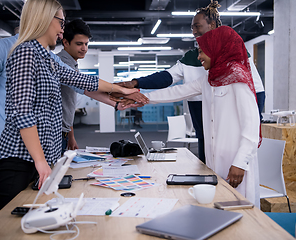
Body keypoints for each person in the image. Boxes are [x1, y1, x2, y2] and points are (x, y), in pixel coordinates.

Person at [0, 0, 143, 213]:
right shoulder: (24, 53)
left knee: (32, 219)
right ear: (44, 19)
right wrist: (41, 162)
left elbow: (82, 80)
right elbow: (22, 113)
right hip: (17, 158)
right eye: (60, 22)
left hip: (37, 156)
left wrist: (121, 90)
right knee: (7, 225)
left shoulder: (46, 58)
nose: (62, 30)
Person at [115, 0, 265, 163]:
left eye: (197, 26)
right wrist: (137, 85)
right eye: (192, 27)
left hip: (231, 124)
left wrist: (251, 130)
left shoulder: (237, 61)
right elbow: (171, 84)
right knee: (207, 163)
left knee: (231, 164)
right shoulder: (196, 63)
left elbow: (257, 91)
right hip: (203, 118)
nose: (193, 31)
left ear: (212, 25)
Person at [132, 26, 261, 207]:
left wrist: (241, 163)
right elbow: (177, 92)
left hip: (236, 161)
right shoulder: (209, 78)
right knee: (219, 206)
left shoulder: (238, 78)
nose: (199, 57)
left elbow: (252, 126)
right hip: (215, 158)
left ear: (216, 49)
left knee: (241, 209)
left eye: (202, 52)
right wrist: (143, 98)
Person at [57, 19, 91, 153]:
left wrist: (70, 136)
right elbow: (87, 87)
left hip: (64, 132)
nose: (84, 48)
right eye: (79, 44)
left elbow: (66, 104)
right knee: (53, 172)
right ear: (65, 42)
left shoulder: (72, 64)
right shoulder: (60, 64)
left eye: (86, 44)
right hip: (56, 133)